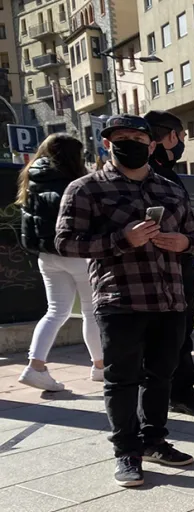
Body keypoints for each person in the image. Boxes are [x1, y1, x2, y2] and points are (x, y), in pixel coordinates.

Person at [54, 115, 194, 487]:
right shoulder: (86, 189)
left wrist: (185, 244)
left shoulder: (170, 189)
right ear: (108, 144)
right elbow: (66, 242)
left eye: (138, 137)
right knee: (121, 380)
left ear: (152, 145)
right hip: (120, 298)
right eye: (121, 138)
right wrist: (123, 239)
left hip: (169, 299)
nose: (131, 143)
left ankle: (155, 441)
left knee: (161, 376)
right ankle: (126, 451)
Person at [16, 134, 103, 391]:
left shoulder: (32, 177)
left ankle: (36, 366)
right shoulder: (74, 182)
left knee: (55, 311)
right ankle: (100, 366)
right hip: (77, 253)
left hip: (47, 255)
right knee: (91, 311)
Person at [144, 110, 194, 419]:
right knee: (177, 336)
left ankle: (175, 394)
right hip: (169, 272)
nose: (182, 142)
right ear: (171, 136)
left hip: (169, 267)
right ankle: (179, 394)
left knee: (174, 337)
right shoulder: (160, 175)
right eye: (182, 136)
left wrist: (188, 242)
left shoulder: (158, 171)